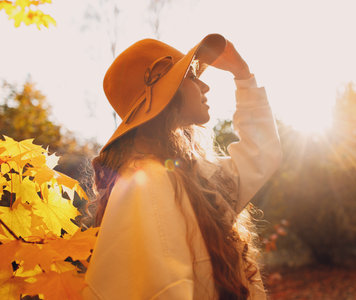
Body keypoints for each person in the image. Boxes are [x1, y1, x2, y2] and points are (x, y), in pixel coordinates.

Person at [82, 33, 282, 300]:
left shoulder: (187, 176)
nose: (205, 86)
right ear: (166, 94)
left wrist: (243, 75)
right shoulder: (147, 184)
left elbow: (260, 155)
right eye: (190, 76)